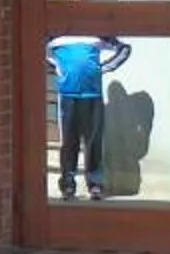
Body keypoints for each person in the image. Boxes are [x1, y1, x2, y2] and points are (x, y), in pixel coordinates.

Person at [48, 36, 134, 200]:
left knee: (93, 142)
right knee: (69, 143)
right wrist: (57, 68)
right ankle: (68, 185)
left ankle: (95, 185)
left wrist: (103, 68)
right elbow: (35, 50)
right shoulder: (55, 35)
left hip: (93, 95)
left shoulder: (97, 33)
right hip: (67, 96)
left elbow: (124, 49)